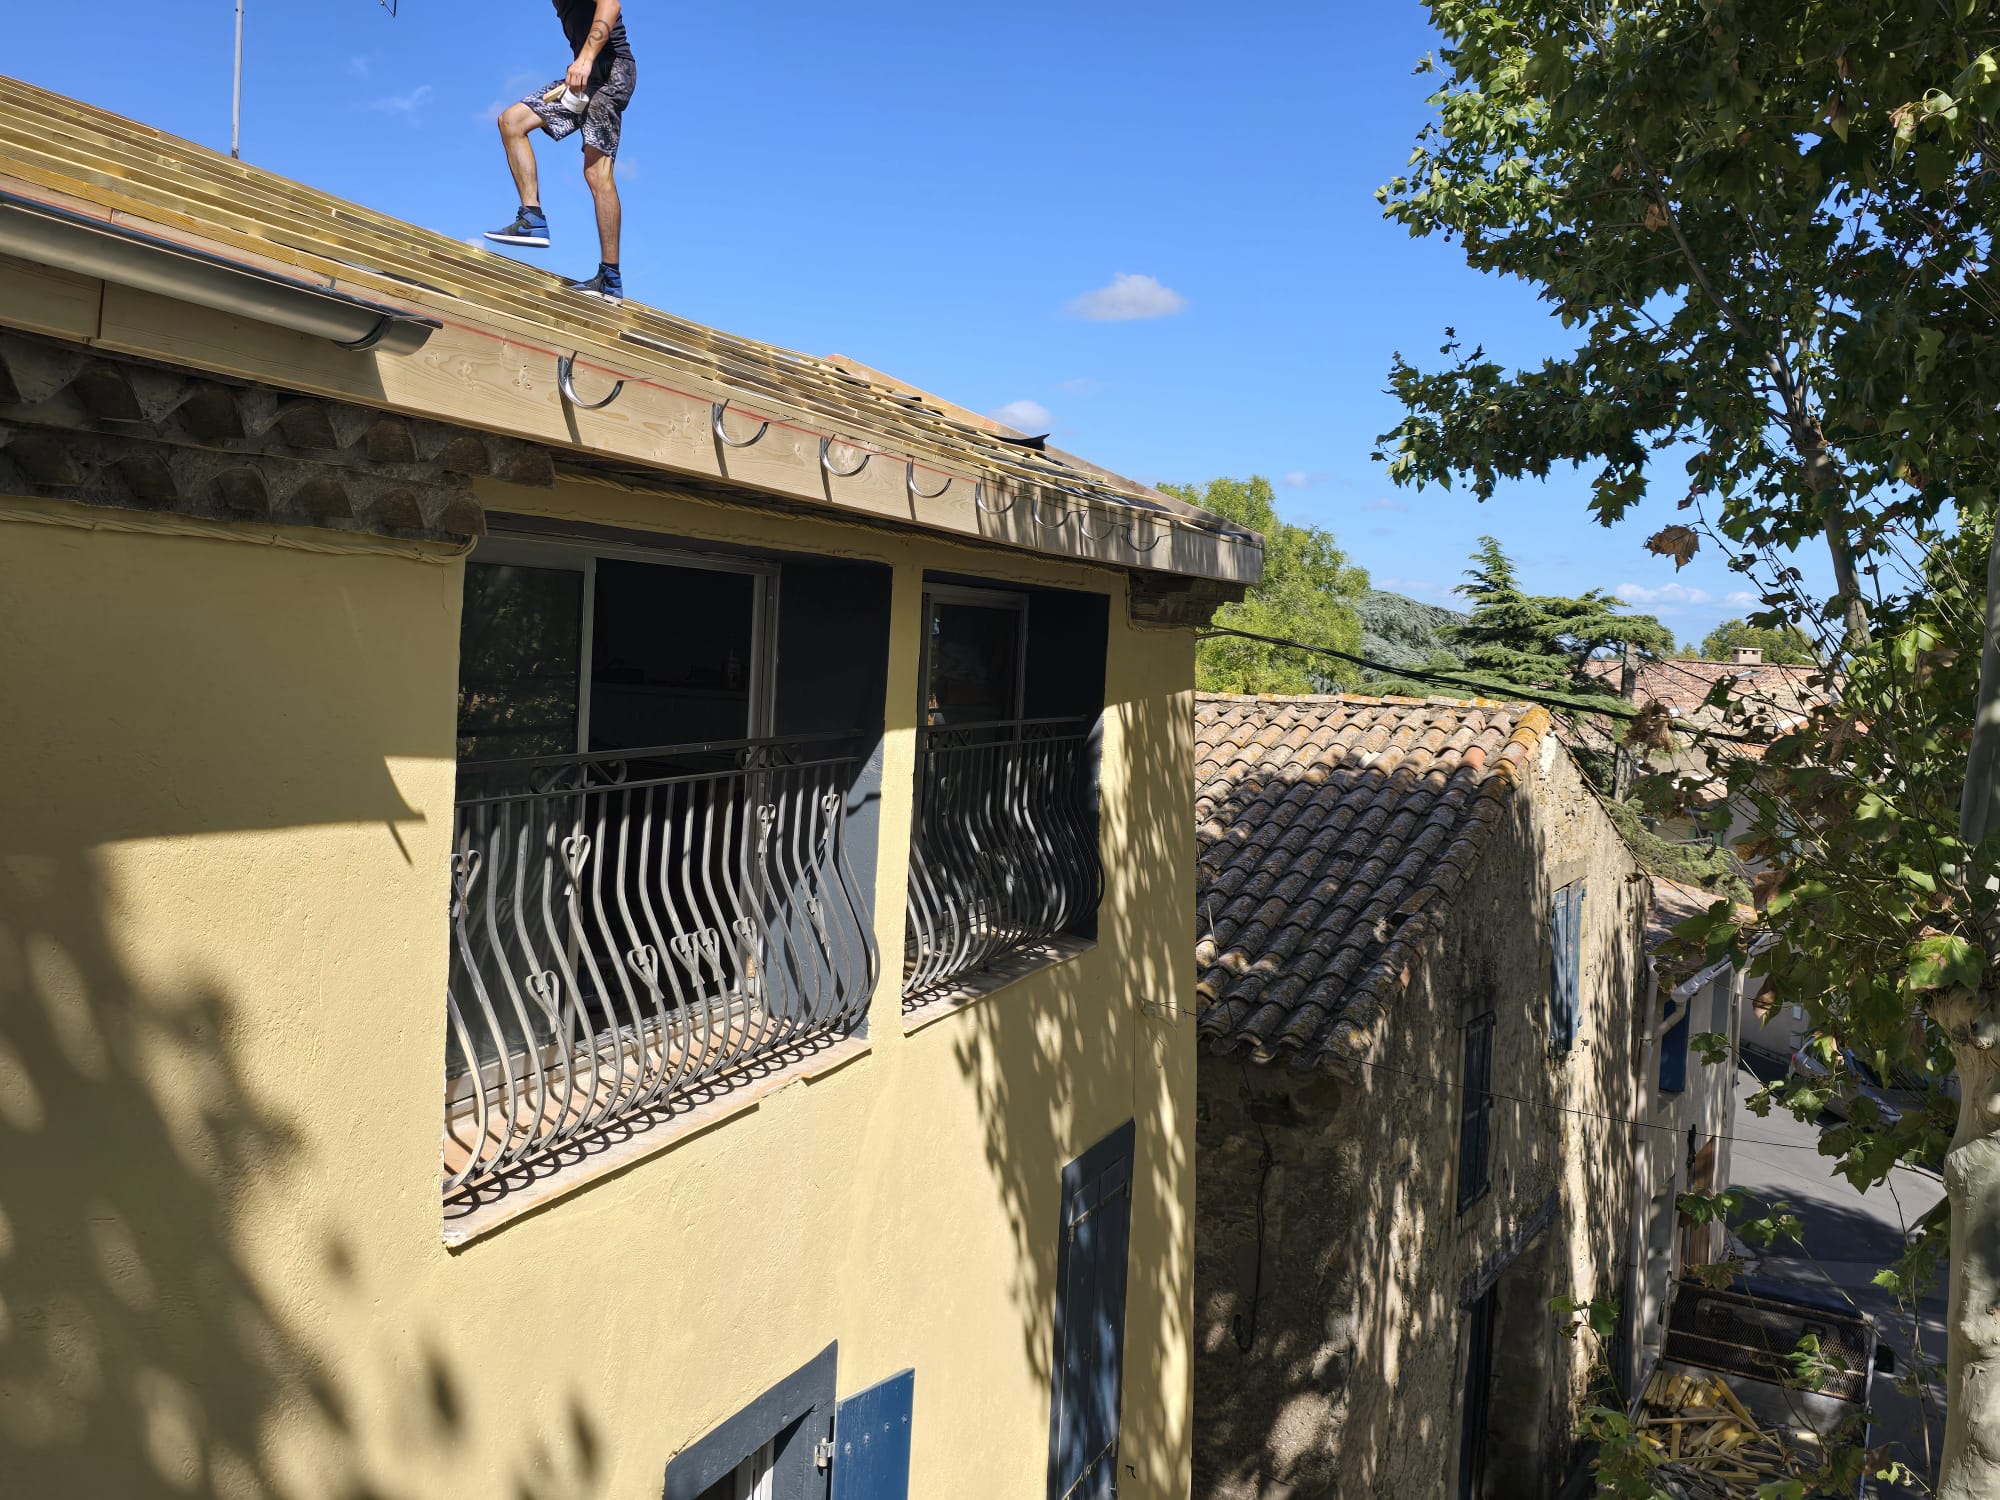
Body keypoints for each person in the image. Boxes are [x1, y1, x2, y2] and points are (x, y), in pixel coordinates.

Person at [486, 1, 637, 305]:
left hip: (609, 69)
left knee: (597, 173)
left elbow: (610, 4)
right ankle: (532, 219)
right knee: (511, 122)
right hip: (585, 75)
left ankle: (610, 279)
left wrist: (585, 59)